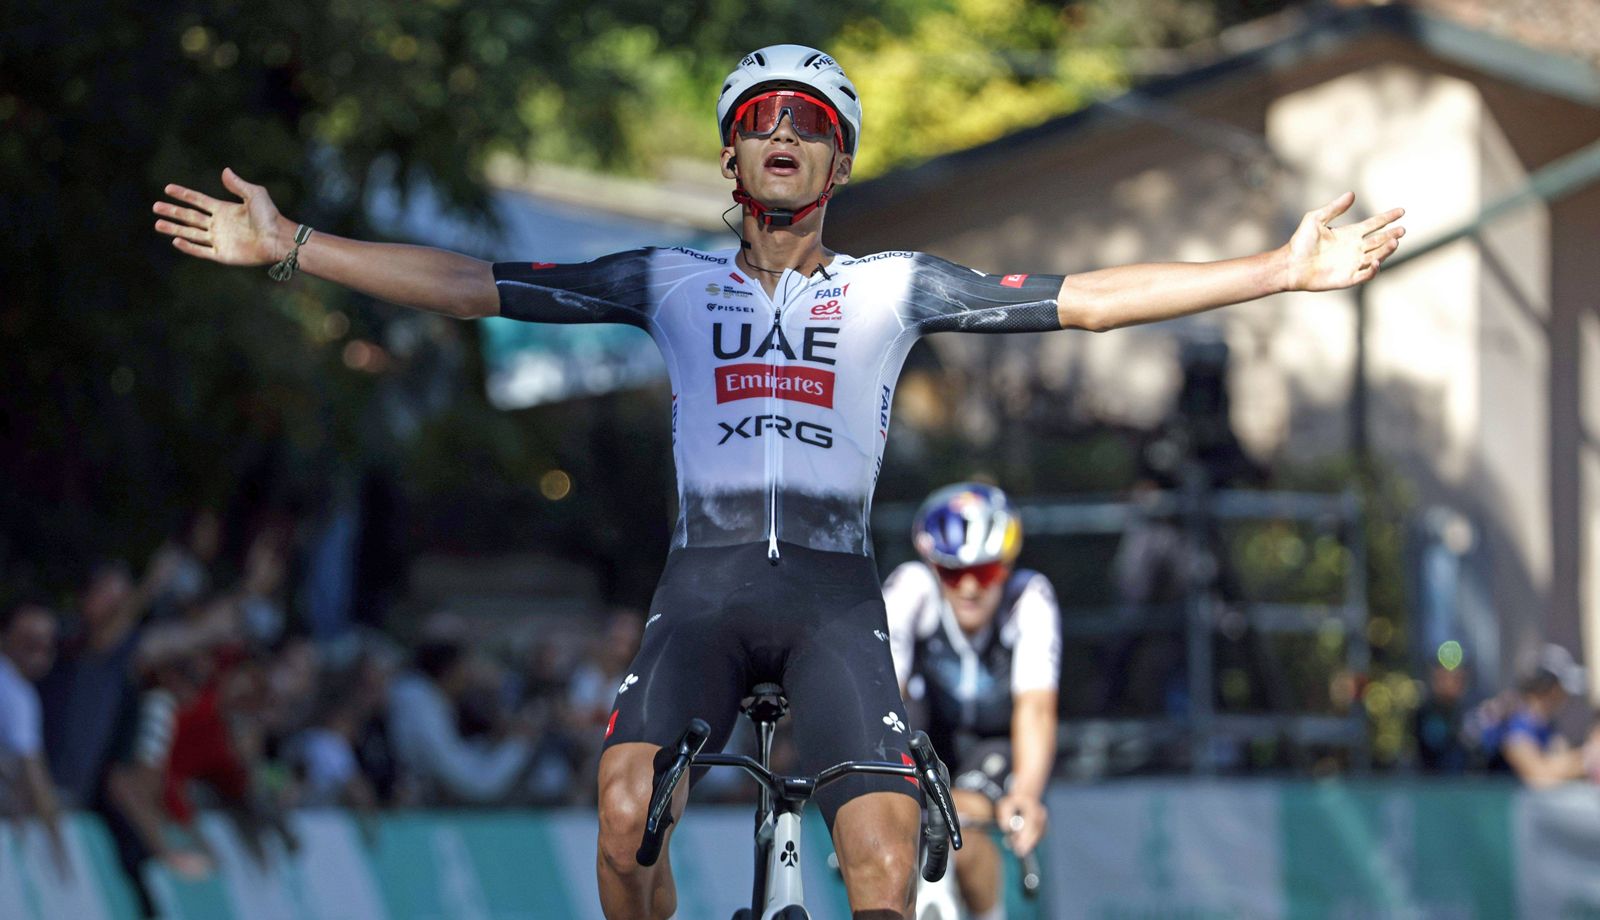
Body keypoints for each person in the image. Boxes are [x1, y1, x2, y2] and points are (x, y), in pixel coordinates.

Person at [153, 42, 1405, 919]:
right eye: (762, 122)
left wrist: (1274, 271)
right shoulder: (666, 279)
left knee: (885, 868)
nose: (787, 135)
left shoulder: (893, 286)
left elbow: (1086, 297)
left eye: (812, 124)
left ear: (840, 165)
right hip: (700, 591)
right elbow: (475, 282)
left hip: (830, 599)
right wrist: (296, 245)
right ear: (730, 160)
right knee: (623, 812)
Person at [883, 483, 1059, 920]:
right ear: (932, 567)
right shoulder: (911, 588)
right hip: (926, 736)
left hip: (991, 744)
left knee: (959, 817)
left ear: (1006, 568)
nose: (967, 588)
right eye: (950, 572)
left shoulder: (1028, 598)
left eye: (983, 573)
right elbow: (884, 689)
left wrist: (1027, 794)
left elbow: (1036, 708)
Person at [0, 600, 71, 878]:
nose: (40, 653)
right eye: (30, 643)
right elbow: (34, 773)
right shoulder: (14, 690)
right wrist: (58, 844)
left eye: (46, 645)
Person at [1473, 644, 1591, 788]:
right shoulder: (1514, 721)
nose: (1565, 696)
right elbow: (1539, 776)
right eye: (1560, 687)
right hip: (1492, 800)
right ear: (1548, 687)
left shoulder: (1546, 725)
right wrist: (1588, 759)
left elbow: (1560, 758)